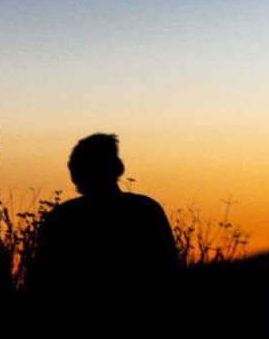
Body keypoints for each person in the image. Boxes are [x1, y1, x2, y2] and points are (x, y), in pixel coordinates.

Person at [27, 133, 177, 317]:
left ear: (75, 173)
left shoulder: (62, 217)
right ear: (117, 168)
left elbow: (42, 282)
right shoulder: (146, 210)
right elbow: (169, 274)